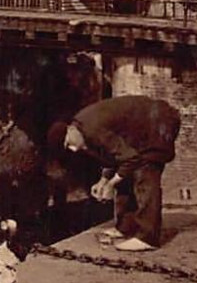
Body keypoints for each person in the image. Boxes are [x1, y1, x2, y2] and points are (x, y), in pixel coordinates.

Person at [47, 95, 181, 252]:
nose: (73, 149)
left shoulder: (92, 129)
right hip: (141, 132)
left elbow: (131, 159)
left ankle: (148, 237)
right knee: (126, 173)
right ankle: (126, 227)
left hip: (158, 122)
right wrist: (103, 180)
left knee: (145, 169)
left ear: (70, 129)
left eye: (69, 143)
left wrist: (111, 184)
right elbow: (114, 157)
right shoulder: (83, 129)